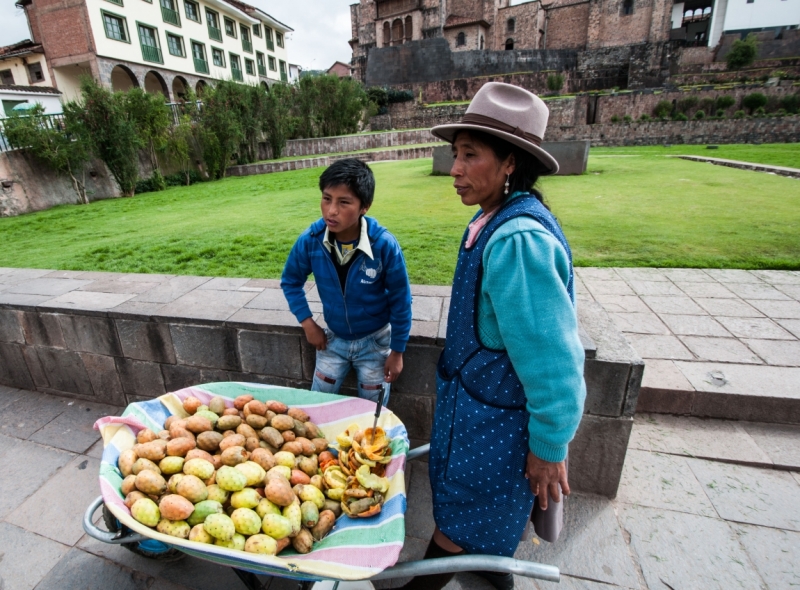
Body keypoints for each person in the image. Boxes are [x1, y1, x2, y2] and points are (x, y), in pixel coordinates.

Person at [402, 83, 586, 590]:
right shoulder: (490, 220)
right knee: (482, 542)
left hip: (496, 433)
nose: (455, 168)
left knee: (458, 535)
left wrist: (549, 445)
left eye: (470, 155)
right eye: (454, 153)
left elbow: (555, 361)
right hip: (478, 417)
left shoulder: (518, 241)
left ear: (510, 163)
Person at [281, 158, 412, 403]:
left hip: (376, 344)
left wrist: (397, 351)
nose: (331, 210)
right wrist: (308, 324)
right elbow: (290, 281)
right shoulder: (311, 240)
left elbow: (401, 301)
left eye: (344, 202)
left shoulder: (383, 245)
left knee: (372, 416)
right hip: (332, 342)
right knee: (317, 407)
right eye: (326, 198)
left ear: (365, 206)